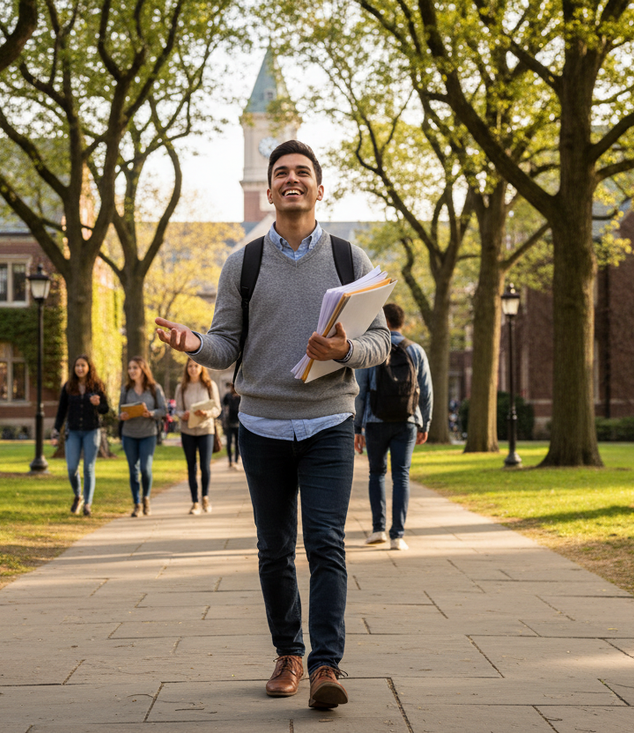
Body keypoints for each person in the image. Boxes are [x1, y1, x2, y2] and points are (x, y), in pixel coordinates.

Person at [155, 140, 390, 710]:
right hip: (261, 424)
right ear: (269, 189)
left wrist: (343, 350)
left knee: (328, 544)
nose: (292, 180)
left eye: (302, 173)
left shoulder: (347, 258)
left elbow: (380, 342)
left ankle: (325, 665)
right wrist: (195, 343)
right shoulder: (244, 262)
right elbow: (226, 344)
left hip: (328, 421)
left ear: (319, 188)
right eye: (281, 172)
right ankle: (288, 652)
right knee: (274, 549)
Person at [354, 303, 432, 551]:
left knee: (376, 473)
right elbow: (427, 391)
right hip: (407, 421)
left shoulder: (373, 349)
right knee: (402, 476)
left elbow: (360, 391)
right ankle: (398, 535)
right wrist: (425, 423)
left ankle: (378, 529)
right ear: (401, 323)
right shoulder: (416, 350)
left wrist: (357, 427)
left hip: (376, 421)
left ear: (383, 321)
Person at [51, 355, 110, 517]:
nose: (80, 368)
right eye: (77, 365)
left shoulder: (97, 386)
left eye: (83, 365)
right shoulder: (69, 387)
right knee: (71, 468)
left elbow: (106, 409)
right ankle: (78, 495)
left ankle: (88, 504)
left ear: (89, 367)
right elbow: (61, 411)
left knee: (88, 468)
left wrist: (99, 404)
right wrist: (56, 431)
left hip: (92, 431)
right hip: (74, 431)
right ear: (74, 368)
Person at [118, 356, 167, 518]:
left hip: (148, 434)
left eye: (135, 368)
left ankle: (146, 497)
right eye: (130, 368)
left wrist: (151, 413)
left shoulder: (154, 388)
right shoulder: (126, 389)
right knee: (133, 471)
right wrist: (123, 416)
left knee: (145, 469)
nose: (131, 371)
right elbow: (120, 411)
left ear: (143, 369)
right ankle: (137, 503)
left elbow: (163, 410)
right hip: (129, 434)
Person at [174, 360, 222, 515]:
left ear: (201, 368)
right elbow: (177, 411)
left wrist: (207, 413)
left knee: (205, 466)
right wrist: (184, 415)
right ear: (186, 369)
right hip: (187, 430)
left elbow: (217, 408)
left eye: (196, 366)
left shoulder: (210, 385)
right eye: (190, 366)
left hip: (206, 430)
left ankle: (205, 497)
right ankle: (195, 502)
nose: (193, 369)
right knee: (191, 466)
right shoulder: (181, 388)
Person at [222, 383, 242, 470]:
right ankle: (230, 461)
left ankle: (236, 460)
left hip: (238, 423)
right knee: (229, 442)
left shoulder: (240, 396)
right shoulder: (228, 396)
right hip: (229, 423)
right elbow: (224, 403)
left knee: (237, 443)